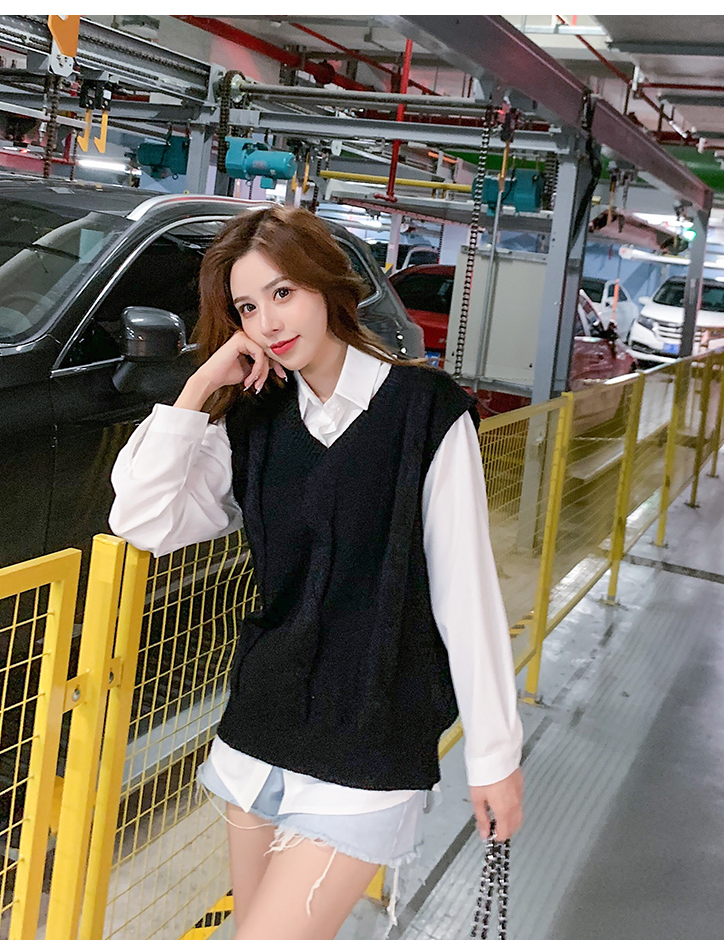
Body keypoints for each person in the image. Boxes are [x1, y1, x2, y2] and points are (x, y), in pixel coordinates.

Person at [109, 205, 523, 940]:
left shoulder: (424, 413)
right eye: (247, 307)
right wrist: (200, 386)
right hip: (260, 732)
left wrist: (494, 756)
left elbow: (467, 593)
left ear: (326, 286)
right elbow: (142, 520)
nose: (267, 322)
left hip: (369, 739)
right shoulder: (255, 421)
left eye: (283, 293)